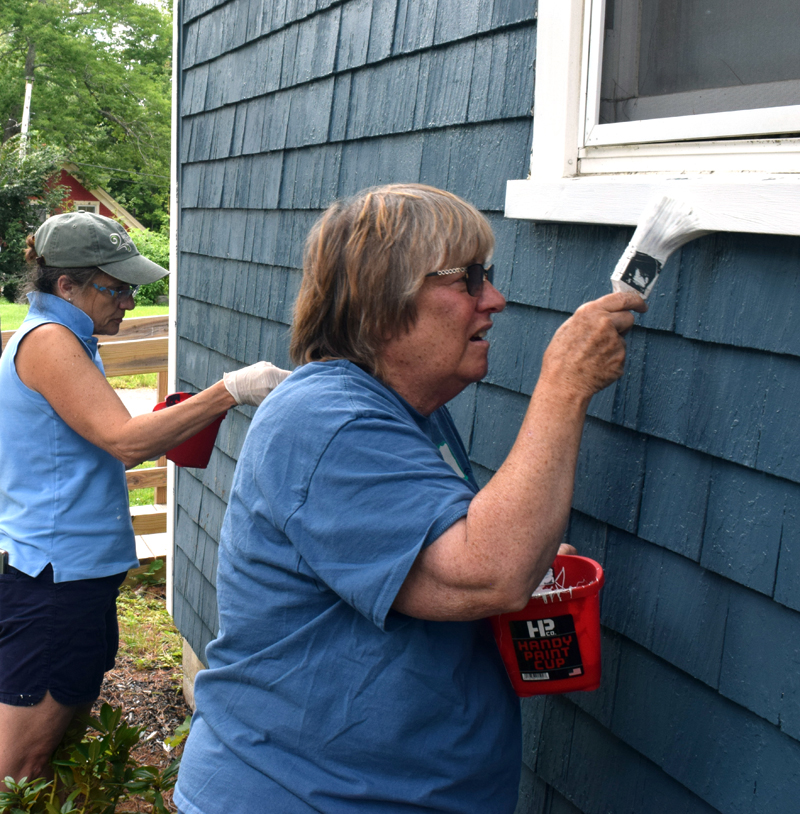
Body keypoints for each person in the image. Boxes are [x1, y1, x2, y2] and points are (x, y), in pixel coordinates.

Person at [174, 184, 646, 813]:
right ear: (382, 304)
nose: (495, 300)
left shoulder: (405, 412)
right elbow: (488, 572)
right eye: (468, 280)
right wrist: (564, 383)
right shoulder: (330, 421)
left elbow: (454, 564)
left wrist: (524, 555)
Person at [0, 211, 290, 787]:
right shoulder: (52, 342)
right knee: (20, 767)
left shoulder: (68, 337)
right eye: (118, 287)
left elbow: (89, 439)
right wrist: (230, 390)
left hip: (70, 574)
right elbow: (124, 442)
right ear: (68, 286)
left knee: (58, 745)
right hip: (56, 580)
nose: (130, 300)